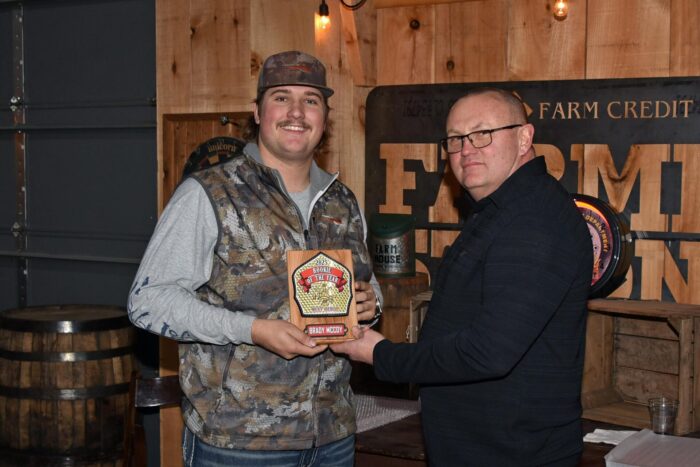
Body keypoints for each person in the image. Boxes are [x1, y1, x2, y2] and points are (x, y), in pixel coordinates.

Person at [128, 50, 383, 467]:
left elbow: (367, 284)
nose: (297, 112)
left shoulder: (342, 200)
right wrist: (252, 330)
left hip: (332, 436)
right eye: (282, 97)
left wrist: (371, 304)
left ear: (325, 117)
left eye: (311, 100)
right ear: (258, 112)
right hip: (239, 442)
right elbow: (148, 302)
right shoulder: (209, 193)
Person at [332, 88, 593, 466]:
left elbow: (490, 351)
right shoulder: (502, 210)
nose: (466, 149)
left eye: (482, 134)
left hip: (512, 454)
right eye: (455, 139)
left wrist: (381, 354)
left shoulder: (534, 219)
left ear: (524, 138)